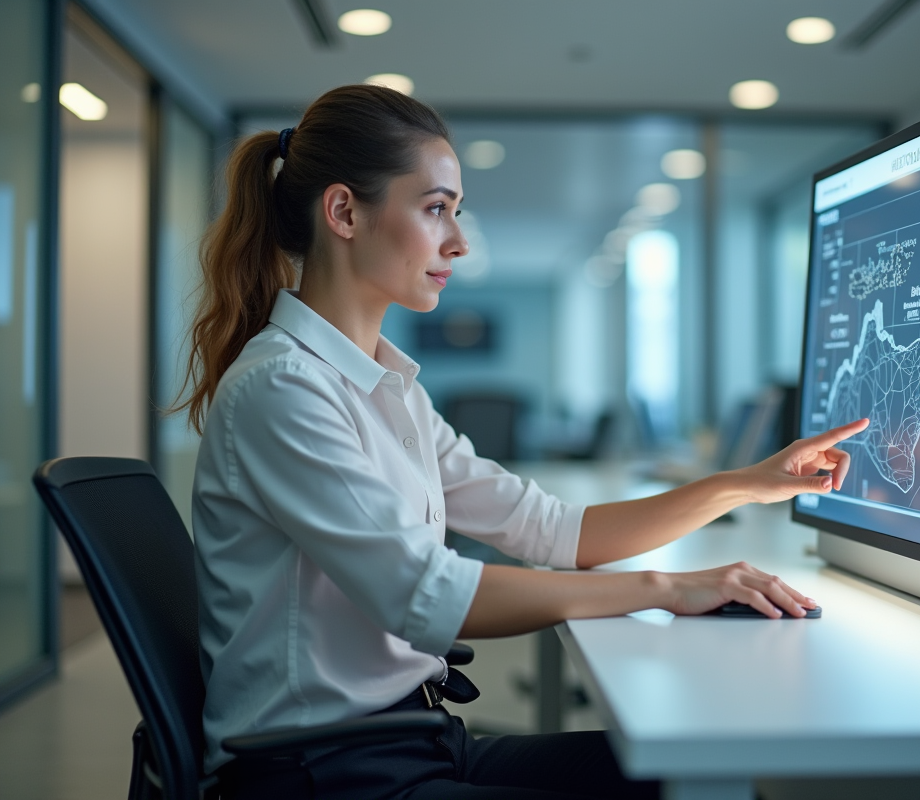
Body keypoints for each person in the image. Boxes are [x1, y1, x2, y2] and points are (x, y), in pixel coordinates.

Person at [178, 84, 868, 799]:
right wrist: (666, 589)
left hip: (411, 743)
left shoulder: (390, 389)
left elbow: (553, 529)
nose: (458, 240)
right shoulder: (284, 388)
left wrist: (747, 482)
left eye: (457, 211)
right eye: (435, 208)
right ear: (345, 211)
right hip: (322, 776)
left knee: (694, 772)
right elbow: (426, 595)